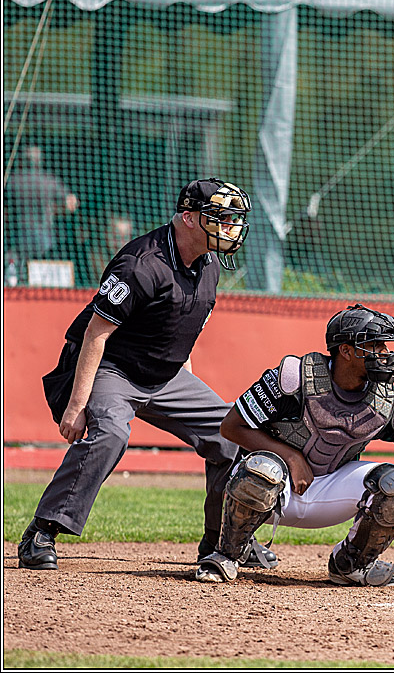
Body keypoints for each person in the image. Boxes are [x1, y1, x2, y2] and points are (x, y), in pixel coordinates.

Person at [19, 178, 276, 574]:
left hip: (165, 374)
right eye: (220, 218)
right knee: (111, 434)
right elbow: (95, 333)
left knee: (231, 433)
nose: (230, 227)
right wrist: (76, 405)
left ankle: (224, 543)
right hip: (113, 367)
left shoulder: (208, 265)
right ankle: (42, 531)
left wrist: (189, 396)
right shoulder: (142, 264)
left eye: (232, 219)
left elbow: (182, 332)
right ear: (189, 218)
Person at [196, 304, 394, 586]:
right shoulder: (295, 377)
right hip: (272, 490)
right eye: (374, 345)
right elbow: (231, 426)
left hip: (328, 492)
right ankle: (228, 554)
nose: (386, 353)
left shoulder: (391, 404)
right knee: (262, 469)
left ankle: (351, 565)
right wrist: (291, 456)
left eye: (388, 345)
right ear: (346, 350)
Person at [3, 145, 79, 283]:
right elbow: (71, 204)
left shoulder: (12, 181)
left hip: (18, 236)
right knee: (41, 275)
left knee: (17, 274)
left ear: (21, 160)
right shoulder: (49, 181)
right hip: (44, 238)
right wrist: (53, 210)